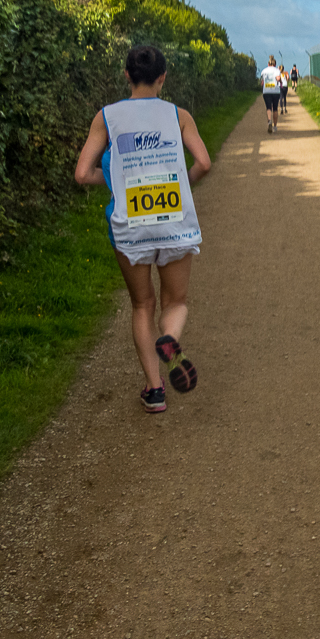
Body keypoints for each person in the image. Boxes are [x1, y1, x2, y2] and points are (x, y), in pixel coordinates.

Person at [74, 45, 212, 413]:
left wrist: (120, 182)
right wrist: (183, 183)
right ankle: (169, 339)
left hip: (130, 225)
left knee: (142, 304)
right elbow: (203, 162)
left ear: (126, 75)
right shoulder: (178, 115)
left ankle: (154, 391)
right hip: (175, 220)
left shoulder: (106, 117)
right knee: (176, 301)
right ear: (163, 77)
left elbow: (82, 173)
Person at [260, 56, 282, 132]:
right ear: (275, 64)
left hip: (266, 91)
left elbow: (262, 83)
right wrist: (280, 80)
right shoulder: (277, 70)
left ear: (268, 64)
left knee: (268, 107)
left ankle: (269, 121)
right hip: (275, 91)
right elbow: (278, 78)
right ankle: (275, 126)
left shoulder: (263, 71)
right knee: (275, 108)